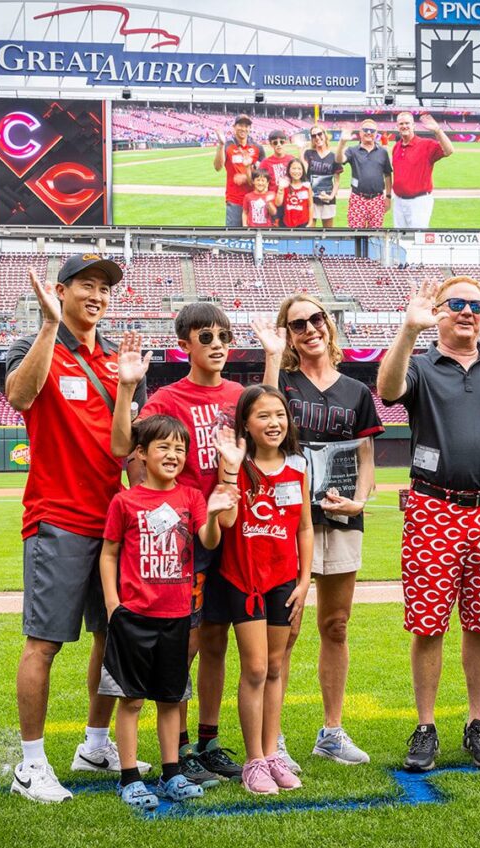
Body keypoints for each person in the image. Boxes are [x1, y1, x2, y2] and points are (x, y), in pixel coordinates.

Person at [112, 305, 281, 786]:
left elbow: (268, 411)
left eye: (224, 335)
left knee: (216, 642)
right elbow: (131, 453)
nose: (218, 343)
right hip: (191, 536)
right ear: (183, 344)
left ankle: (208, 741)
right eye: (205, 336)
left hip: (236, 528)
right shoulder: (167, 398)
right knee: (183, 641)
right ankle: (180, 745)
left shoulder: (237, 394)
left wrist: (271, 357)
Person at [5, 253, 148, 803]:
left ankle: (93, 743)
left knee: (112, 636)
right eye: (86, 285)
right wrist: (47, 325)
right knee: (44, 643)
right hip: (57, 517)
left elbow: (125, 446)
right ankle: (31, 764)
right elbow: (20, 396)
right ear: (61, 291)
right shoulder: (37, 345)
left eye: (105, 288)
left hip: (111, 521)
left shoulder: (116, 358)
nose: (98, 295)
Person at [377, 276, 480, 771]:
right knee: (428, 625)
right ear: (439, 313)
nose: (467, 312)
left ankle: (477, 722)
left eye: (476, 305)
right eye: (457, 304)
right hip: (433, 507)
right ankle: (426, 726)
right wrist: (408, 330)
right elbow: (388, 388)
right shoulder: (420, 364)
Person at [262, 294, 383, 766]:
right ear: (288, 335)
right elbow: (261, 420)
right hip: (287, 520)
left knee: (335, 625)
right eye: (297, 325)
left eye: (316, 319)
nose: (309, 328)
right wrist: (272, 358)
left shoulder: (356, 390)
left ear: (329, 325)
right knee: (284, 629)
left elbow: (368, 462)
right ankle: (273, 738)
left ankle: (331, 732)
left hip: (339, 517)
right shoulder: (284, 383)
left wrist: (362, 499)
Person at [99, 414, 235, 809]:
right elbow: (108, 554)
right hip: (134, 618)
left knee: (171, 698)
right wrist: (112, 603)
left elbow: (207, 538)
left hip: (177, 616)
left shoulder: (191, 496)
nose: (173, 455)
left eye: (180, 449)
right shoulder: (125, 501)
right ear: (141, 453)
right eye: (164, 447)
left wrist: (211, 513)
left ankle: (172, 772)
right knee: (132, 699)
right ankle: (129, 777)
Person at [212, 386, 313, 794]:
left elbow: (304, 528)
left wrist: (305, 581)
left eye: (280, 415)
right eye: (263, 416)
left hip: (285, 582)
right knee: (254, 669)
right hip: (244, 581)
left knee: (275, 668)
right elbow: (226, 523)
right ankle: (253, 760)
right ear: (246, 425)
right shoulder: (237, 464)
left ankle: (272, 753)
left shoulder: (298, 466)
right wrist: (230, 470)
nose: (273, 423)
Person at [390, 112, 453, 229]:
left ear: (413, 126)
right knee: (399, 238)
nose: (404, 126)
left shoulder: (426, 144)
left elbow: (449, 151)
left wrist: (438, 131)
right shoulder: (396, 147)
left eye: (407, 123)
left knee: (417, 238)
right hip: (399, 201)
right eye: (401, 123)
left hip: (419, 201)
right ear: (397, 127)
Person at [335, 120, 393, 229]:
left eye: (372, 130)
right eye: (365, 130)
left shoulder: (382, 152)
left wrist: (388, 197)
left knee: (375, 235)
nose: (369, 133)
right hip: (358, 198)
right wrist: (342, 143)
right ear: (360, 133)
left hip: (377, 199)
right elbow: (339, 159)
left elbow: (388, 175)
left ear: (376, 133)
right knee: (355, 233)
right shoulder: (352, 151)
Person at [214, 114, 265, 228]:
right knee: (233, 237)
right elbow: (218, 167)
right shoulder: (227, 145)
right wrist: (221, 145)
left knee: (254, 238)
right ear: (234, 127)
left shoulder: (258, 148)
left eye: (246, 126)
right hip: (235, 200)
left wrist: (246, 177)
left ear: (250, 128)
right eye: (240, 125)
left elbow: (264, 174)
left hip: (255, 199)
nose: (243, 128)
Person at [302, 125, 343, 228]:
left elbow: (337, 180)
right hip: (311, 199)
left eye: (319, 134)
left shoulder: (334, 156)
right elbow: (304, 173)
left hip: (327, 198)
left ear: (325, 135)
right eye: (314, 135)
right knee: (310, 231)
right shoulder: (309, 153)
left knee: (328, 233)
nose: (317, 137)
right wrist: (301, 149)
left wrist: (331, 196)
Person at [258, 129, 295, 226]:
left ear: (285, 142)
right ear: (271, 144)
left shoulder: (291, 159)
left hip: (290, 199)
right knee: (275, 229)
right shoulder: (266, 162)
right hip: (274, 201)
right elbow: (260, 181)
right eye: (275, 142)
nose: (279, 144)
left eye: (281, 142)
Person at [276, 159, 313, 229]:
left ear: (303, 171)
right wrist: (280, 189)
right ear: (289, 170)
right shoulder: (285, 185)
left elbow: (310, 205)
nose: (296, 171)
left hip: (303, 222)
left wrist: (310, 222)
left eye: (299, 169)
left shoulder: (307, 186)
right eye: (294, 168)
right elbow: (278, 203)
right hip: (287, 223)